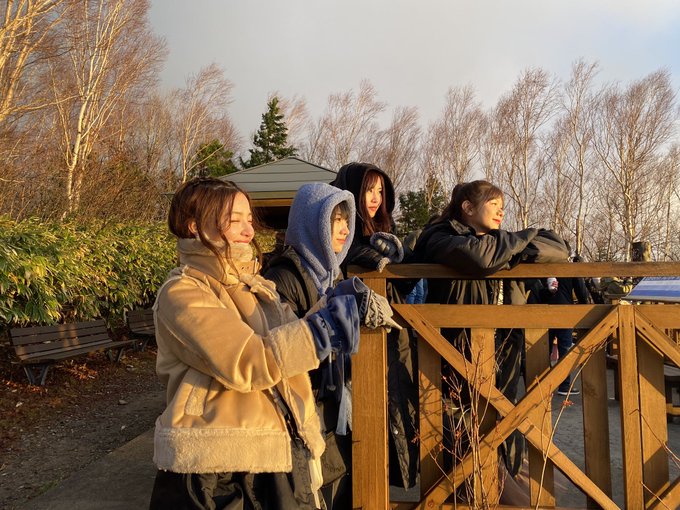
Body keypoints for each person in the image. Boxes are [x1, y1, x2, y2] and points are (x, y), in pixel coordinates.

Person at [150, 177, 368, 510]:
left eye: (249, 219)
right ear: (194, 226)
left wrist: (334, 304)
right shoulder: (182, 292)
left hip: (280, 450)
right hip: (219, 466)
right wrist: (321, 329)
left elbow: (288, 341)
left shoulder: (256, 286)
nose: (248, 230)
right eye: (233, 219)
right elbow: (248, 361)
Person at [410, 180, 568, 479]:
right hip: (456, 353)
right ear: (468, 208)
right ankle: (464, 488)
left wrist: (509, 250)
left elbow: (560, 248)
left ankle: (498, 480)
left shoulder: (502, 242)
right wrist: (515, 248)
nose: (501, 212)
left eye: (503, 206)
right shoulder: (441, 236)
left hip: (504, 350)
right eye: (493, 204)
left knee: (503, 420)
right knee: (461, 433)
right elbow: (480, 259)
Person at [264, 182, 399, 508]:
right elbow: (281, 351)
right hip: (307, 412)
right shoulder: (283, 277)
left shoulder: (330, 274)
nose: (344, 230)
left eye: (346, 221)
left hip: (335, 407)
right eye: (335, 220)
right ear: (311, 223)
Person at [331, 162, 419, 490]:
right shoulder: (342, 234)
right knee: (361, 413)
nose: (375, 198)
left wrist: (403, 260)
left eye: (380, 191)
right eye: (368, 189)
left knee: (394, 407)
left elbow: (402, 288)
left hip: (392, 335)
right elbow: (339, 262)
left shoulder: (386, 235)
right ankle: (366, 488)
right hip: (357, 341)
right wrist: (368, 257)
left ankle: (385, 482)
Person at [541, 260, 591, 396]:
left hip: (544, 310)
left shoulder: (543, 264)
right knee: (565, 349)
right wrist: (585, 305)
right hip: (564, 310)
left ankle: (541, 385)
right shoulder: (569, 267)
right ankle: (564, 385)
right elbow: (581, 290)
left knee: (544, 348)